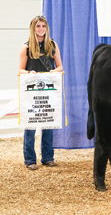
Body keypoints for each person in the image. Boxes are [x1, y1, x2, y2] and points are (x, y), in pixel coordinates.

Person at [18, 15, 63, 170]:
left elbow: (60, 67)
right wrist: (28, 73)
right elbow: (20, 69)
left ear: (47, 28)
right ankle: (30, 160)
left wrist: (52, 72)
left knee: (48, 124)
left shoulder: (52, 45)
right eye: (38, 26)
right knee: (30, 126)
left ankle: (48, 157)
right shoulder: (27, 47)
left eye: (43, 26)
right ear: (33, 28)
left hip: (48, 91)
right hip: (32, 92)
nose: (41, 29)